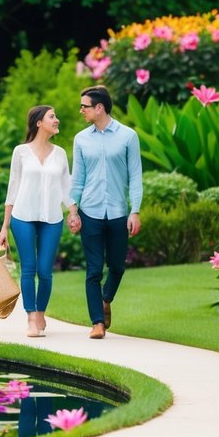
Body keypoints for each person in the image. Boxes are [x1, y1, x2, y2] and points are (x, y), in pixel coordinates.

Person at [67, 85, 142, 339]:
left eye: (84, 106)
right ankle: (97, 322)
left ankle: (106, 298)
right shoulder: (81, 139)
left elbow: (136, 177)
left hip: (119, 212)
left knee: (118, 266)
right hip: (90, 211)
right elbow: (77, 179)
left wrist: (135, 211)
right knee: (94, 270)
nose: (81, 110)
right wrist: (73, 210)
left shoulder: (128, 136)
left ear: (100, 108)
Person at [0, 105, 78, 337]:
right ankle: (31, 317)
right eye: (52, 117)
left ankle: (41, 312)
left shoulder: (60, 153)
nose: (57, 120)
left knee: (45, 271)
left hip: (52, 218)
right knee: (28, 268)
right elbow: (12, 189)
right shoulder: (20, 152)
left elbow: (65, 187)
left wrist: (73, 212)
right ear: (39, 123)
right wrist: (4, 227)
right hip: (22, 217)